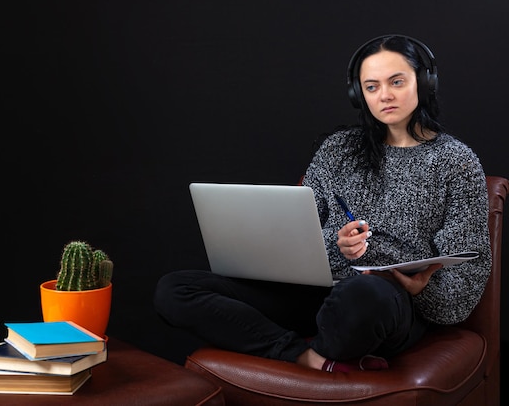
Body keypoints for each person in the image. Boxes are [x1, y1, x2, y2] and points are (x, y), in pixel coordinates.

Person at [153, 34, 491, 373]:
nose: (385, 95)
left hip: (387, 302)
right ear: (358, 95)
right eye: (371, 87)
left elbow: (464, 286)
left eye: (397, 82)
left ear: (424, 81)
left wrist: (421, 289)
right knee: (175, 289)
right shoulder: (338, 150)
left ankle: (322, 345)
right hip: (318, 293)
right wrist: (338, 246)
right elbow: (295, 241)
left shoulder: (456, 162)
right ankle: (307, 357)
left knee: (361, 296)